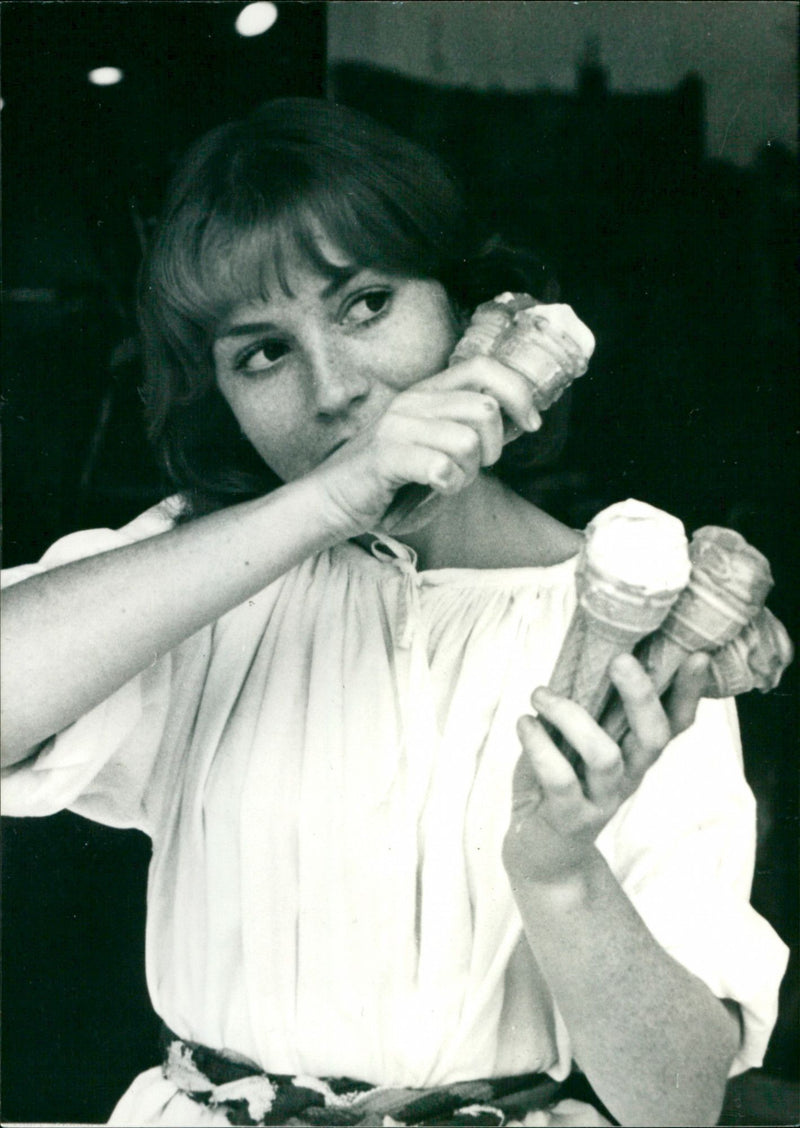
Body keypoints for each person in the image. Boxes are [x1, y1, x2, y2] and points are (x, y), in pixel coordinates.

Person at [1, 98, 788, 1128]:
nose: (336, 390)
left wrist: (555, 871)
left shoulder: (639, 624)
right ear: (224, 399)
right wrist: (331, 496)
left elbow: (677, 1104)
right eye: (262, 353)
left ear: (470, 311)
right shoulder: (199, 580)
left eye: (366, 303)